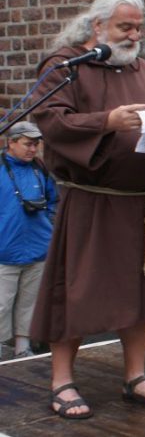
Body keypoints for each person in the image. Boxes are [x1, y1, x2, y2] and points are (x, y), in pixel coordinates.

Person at [30, 0, 145, 418]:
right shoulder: (64, 66)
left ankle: (135, 375)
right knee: (73, 291)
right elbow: (52, 121)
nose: (133, 35)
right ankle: (63, 380)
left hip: (139, 203)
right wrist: (107, 122)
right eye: (124, 27)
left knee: (140, 293)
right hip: (91, 201)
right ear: (97, 26)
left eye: (137, 27)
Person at [0, 121, 57, 360]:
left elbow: (55, 201)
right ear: (11, 143)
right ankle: (2, 345)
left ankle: (23, 345)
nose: (33, 150)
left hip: (38, 248)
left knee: (29, 302)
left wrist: (49, 225)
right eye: (27, 144)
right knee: (2, 303)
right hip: (5, 250)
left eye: (35, 145)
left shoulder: (40, 169)